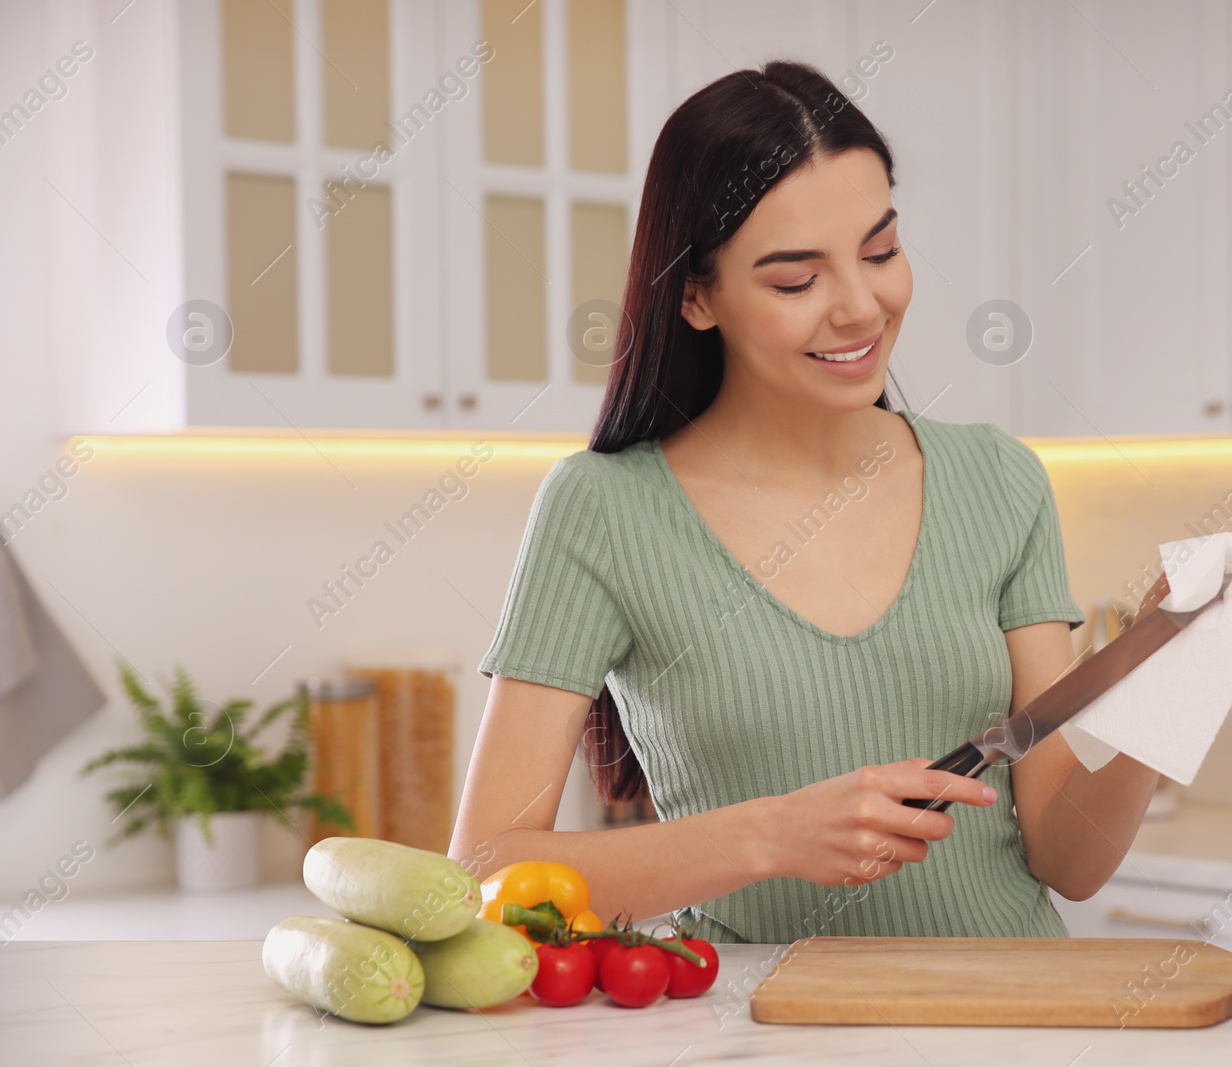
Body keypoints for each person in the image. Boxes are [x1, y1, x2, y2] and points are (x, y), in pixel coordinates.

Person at [449, 59, 1160, 944]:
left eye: (881, 251)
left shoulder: (1000, 480)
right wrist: (773, 834)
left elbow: (1070, 861)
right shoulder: (602, 510)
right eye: (797, 281)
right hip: (759, 1028)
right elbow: (485, 870)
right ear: (697, 296)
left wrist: (1163, 686)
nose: (862, 307)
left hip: (1009, 1015)